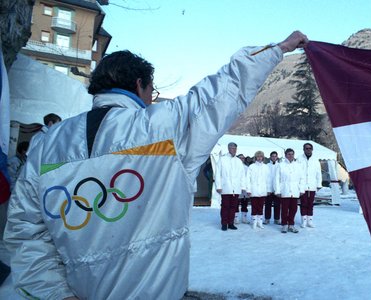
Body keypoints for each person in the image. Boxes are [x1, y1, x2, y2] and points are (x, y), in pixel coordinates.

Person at [4, 31, 309, 299]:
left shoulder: (46, 144)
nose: (152, 99)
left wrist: (57, 295)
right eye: (152, 92)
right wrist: (279, 48)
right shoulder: (163, 126)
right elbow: (224, 90)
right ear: (139, 84)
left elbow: (24, 233)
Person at [215, 143, 246, 230]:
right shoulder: (222, 159)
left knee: (233, 207)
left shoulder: (238, 161)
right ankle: (224, 223)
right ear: (228, 149)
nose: (234, 150)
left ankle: (231, 223)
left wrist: (243, 187)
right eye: (232, 148)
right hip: (225, 187)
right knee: (225, 206)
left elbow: (242, 175)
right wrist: (218, 186)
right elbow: (218, 174)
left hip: (235, 188)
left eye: (235, 148)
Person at [274, 148, 305, 233]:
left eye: (292, 154)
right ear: (285, 155)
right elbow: (277, 179)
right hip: (285, 189)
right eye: (289, 154)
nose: (290, 156)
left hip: (295, 190)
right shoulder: (280, 165)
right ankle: (284, 224)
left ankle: (291, 224)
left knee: (293, 209)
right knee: (284, 208)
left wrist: (301, 189)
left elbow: (302, 178)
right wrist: (277, 191)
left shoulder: (298, 165)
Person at [297, 142, 322, 228]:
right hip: (302, 185)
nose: (308, 150)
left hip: (312, 185)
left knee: (310, 203)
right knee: (303, 203)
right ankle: (303, 220)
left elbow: (318, 173)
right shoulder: (299, 159)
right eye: (306, 148)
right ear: (303, 149)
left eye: (309, 148)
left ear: (312, 149)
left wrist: (319, 184)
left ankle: (310, 220)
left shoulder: (315, 159)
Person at [247, 151, 270, 229]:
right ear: (255, 157)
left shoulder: (266, 167)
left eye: (261, 156)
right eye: (258, 156)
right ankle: (254, 221)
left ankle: (260, 222)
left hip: (263, 189)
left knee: (261, 206)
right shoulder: (251, 167)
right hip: (254, 189)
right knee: (254, 206)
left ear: (263, 157)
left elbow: (268, 179)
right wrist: (248, 190)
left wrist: (268, 189)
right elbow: (248, 179)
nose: (259, 158)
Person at [265, 151, 281, 224]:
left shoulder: (280, 165)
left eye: (275, 156)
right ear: (270, 157)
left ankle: (277, 219)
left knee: (277, 205)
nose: (274, 157)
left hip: (277, 190)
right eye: (272, 156)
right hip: (269, 189)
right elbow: (265, 178)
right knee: (268, 205)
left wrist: (278, 189)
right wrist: (267, 189)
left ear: (277, 157)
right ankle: (267, 218)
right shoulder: (267, 166)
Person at [236, 153, 250, 224]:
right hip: (237, 188)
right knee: (236, 203)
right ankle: (236, 218)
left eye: (243, 158)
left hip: (245, 188)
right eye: (240, 158)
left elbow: (248, 178)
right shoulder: (234, 167)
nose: (241, 159)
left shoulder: (247, 168)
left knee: (244, 203)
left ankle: (244, 217)